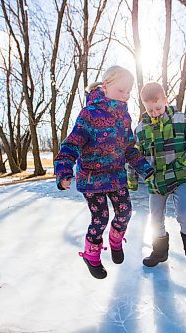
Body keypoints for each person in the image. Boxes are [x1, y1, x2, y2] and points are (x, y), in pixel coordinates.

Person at [54, 66, 154, 279]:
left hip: (116, 176)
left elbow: (128, 148)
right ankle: (91, 255)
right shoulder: (89, 113)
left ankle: (116, 239)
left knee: (125, 212)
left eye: (129, 92)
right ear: (106, 86)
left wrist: (144, 168)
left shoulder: (124, 116)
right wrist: (63, 170)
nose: (126, 96)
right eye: (121, 90)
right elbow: (72, 143)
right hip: (92, 178)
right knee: (101, 217)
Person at [127, 82, 186, 276]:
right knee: (155, 219)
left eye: (158, 107)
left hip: (181, 176)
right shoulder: (141, 129)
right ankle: (159, 253)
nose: (154, 112)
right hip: (156, 181)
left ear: (165, 100)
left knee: (185, 214)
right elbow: (134, 157)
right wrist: (132, 179)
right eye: (149, 109)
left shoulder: (181, 120)